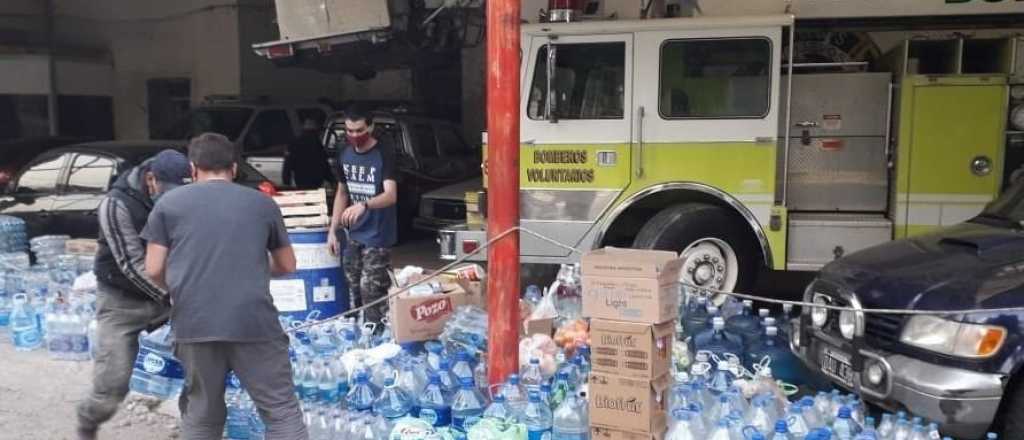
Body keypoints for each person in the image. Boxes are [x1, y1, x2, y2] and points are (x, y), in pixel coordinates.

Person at [142, 133, 306, 440]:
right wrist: (251, 267)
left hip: (194, 321)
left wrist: (180, 287)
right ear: (233, 168)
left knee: (202, 413)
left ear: (193, 169)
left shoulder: (168, 205)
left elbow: (153, 268)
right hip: (253, 322)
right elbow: (287, 265)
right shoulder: (262, 203)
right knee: (280, 410)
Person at [76, 149, 191, 440]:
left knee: (202, 363)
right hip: (122, 302)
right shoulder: (116, 205)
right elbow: (131, 264)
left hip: (172, 296)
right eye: (168, 192)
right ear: (151, 179)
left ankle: (196, 428)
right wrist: (173, 295)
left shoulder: (188, 196)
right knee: (113, 384)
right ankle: (88, 423)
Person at [326, 107, 398, 327]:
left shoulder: (384, 152)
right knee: (353, 286)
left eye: (359, 130)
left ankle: (376, 333)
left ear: (370, 127)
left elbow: (390, 195)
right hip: (352, 232)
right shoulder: (342, 150)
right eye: (350, 130)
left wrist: (364, 205)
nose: (355, 135)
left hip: (378, 234)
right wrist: (333, 230)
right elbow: (342, 192)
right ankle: (357, 334)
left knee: (371, 288)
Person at [282, 118, 331, 190]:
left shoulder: (294, 144)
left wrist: (286, 181)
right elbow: (324, 164)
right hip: (315, 180)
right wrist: (331, 179)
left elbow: (287, 164)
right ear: (315, 131)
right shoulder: (316, 144)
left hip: (301, 179)